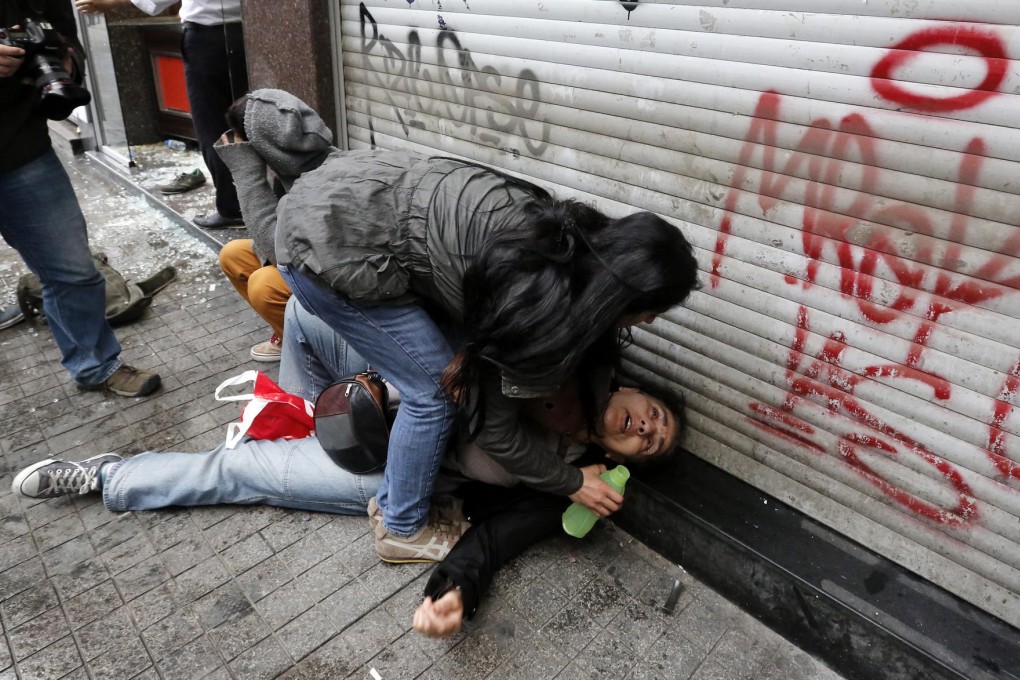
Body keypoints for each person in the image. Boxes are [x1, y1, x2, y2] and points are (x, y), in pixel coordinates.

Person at [215, 88, 700, 562]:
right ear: (620, 294)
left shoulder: (570, 244)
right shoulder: (551, 317)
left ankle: (291, 414)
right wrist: (572, 484)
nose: (650, 321)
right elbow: (493, 425)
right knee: (431, 392)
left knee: (408, 387)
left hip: (355, 196)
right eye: (652, 309)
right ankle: (400, 525)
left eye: (650, 441)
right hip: (338, 245)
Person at [11, 299, 684, 637]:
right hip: (390, 397)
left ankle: (110, 477)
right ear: (631, 389)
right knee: (304, 305)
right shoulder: (566, 357)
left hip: (394, 475)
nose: (647, 428)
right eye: (654, 414)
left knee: (243, 474)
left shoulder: (573, 478)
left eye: (651, 444)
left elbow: (495, 541)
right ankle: (295, 412)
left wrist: (452, 591)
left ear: (622, 460)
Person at [0, 0, 161, 397]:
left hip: (21, 149)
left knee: (72, 270)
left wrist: (65, 59)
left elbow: (65, 36)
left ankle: (95, 365)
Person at [75, 0, 248, 229]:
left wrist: (110, 3)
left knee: (212, 125)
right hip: (246, 32)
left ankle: (233, 207)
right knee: (246, 117)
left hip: (209, 37)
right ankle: (260, 199)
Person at [214, 91, 333, 361]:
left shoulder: (319, 180)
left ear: (264, 145)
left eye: (244, 142)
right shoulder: (295, 164)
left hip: (338, 287)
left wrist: (245, 170)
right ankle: (288, 333)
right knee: (234, 255)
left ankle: (318, 355)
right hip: (310, 263)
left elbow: (279, 253)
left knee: (264, 285)